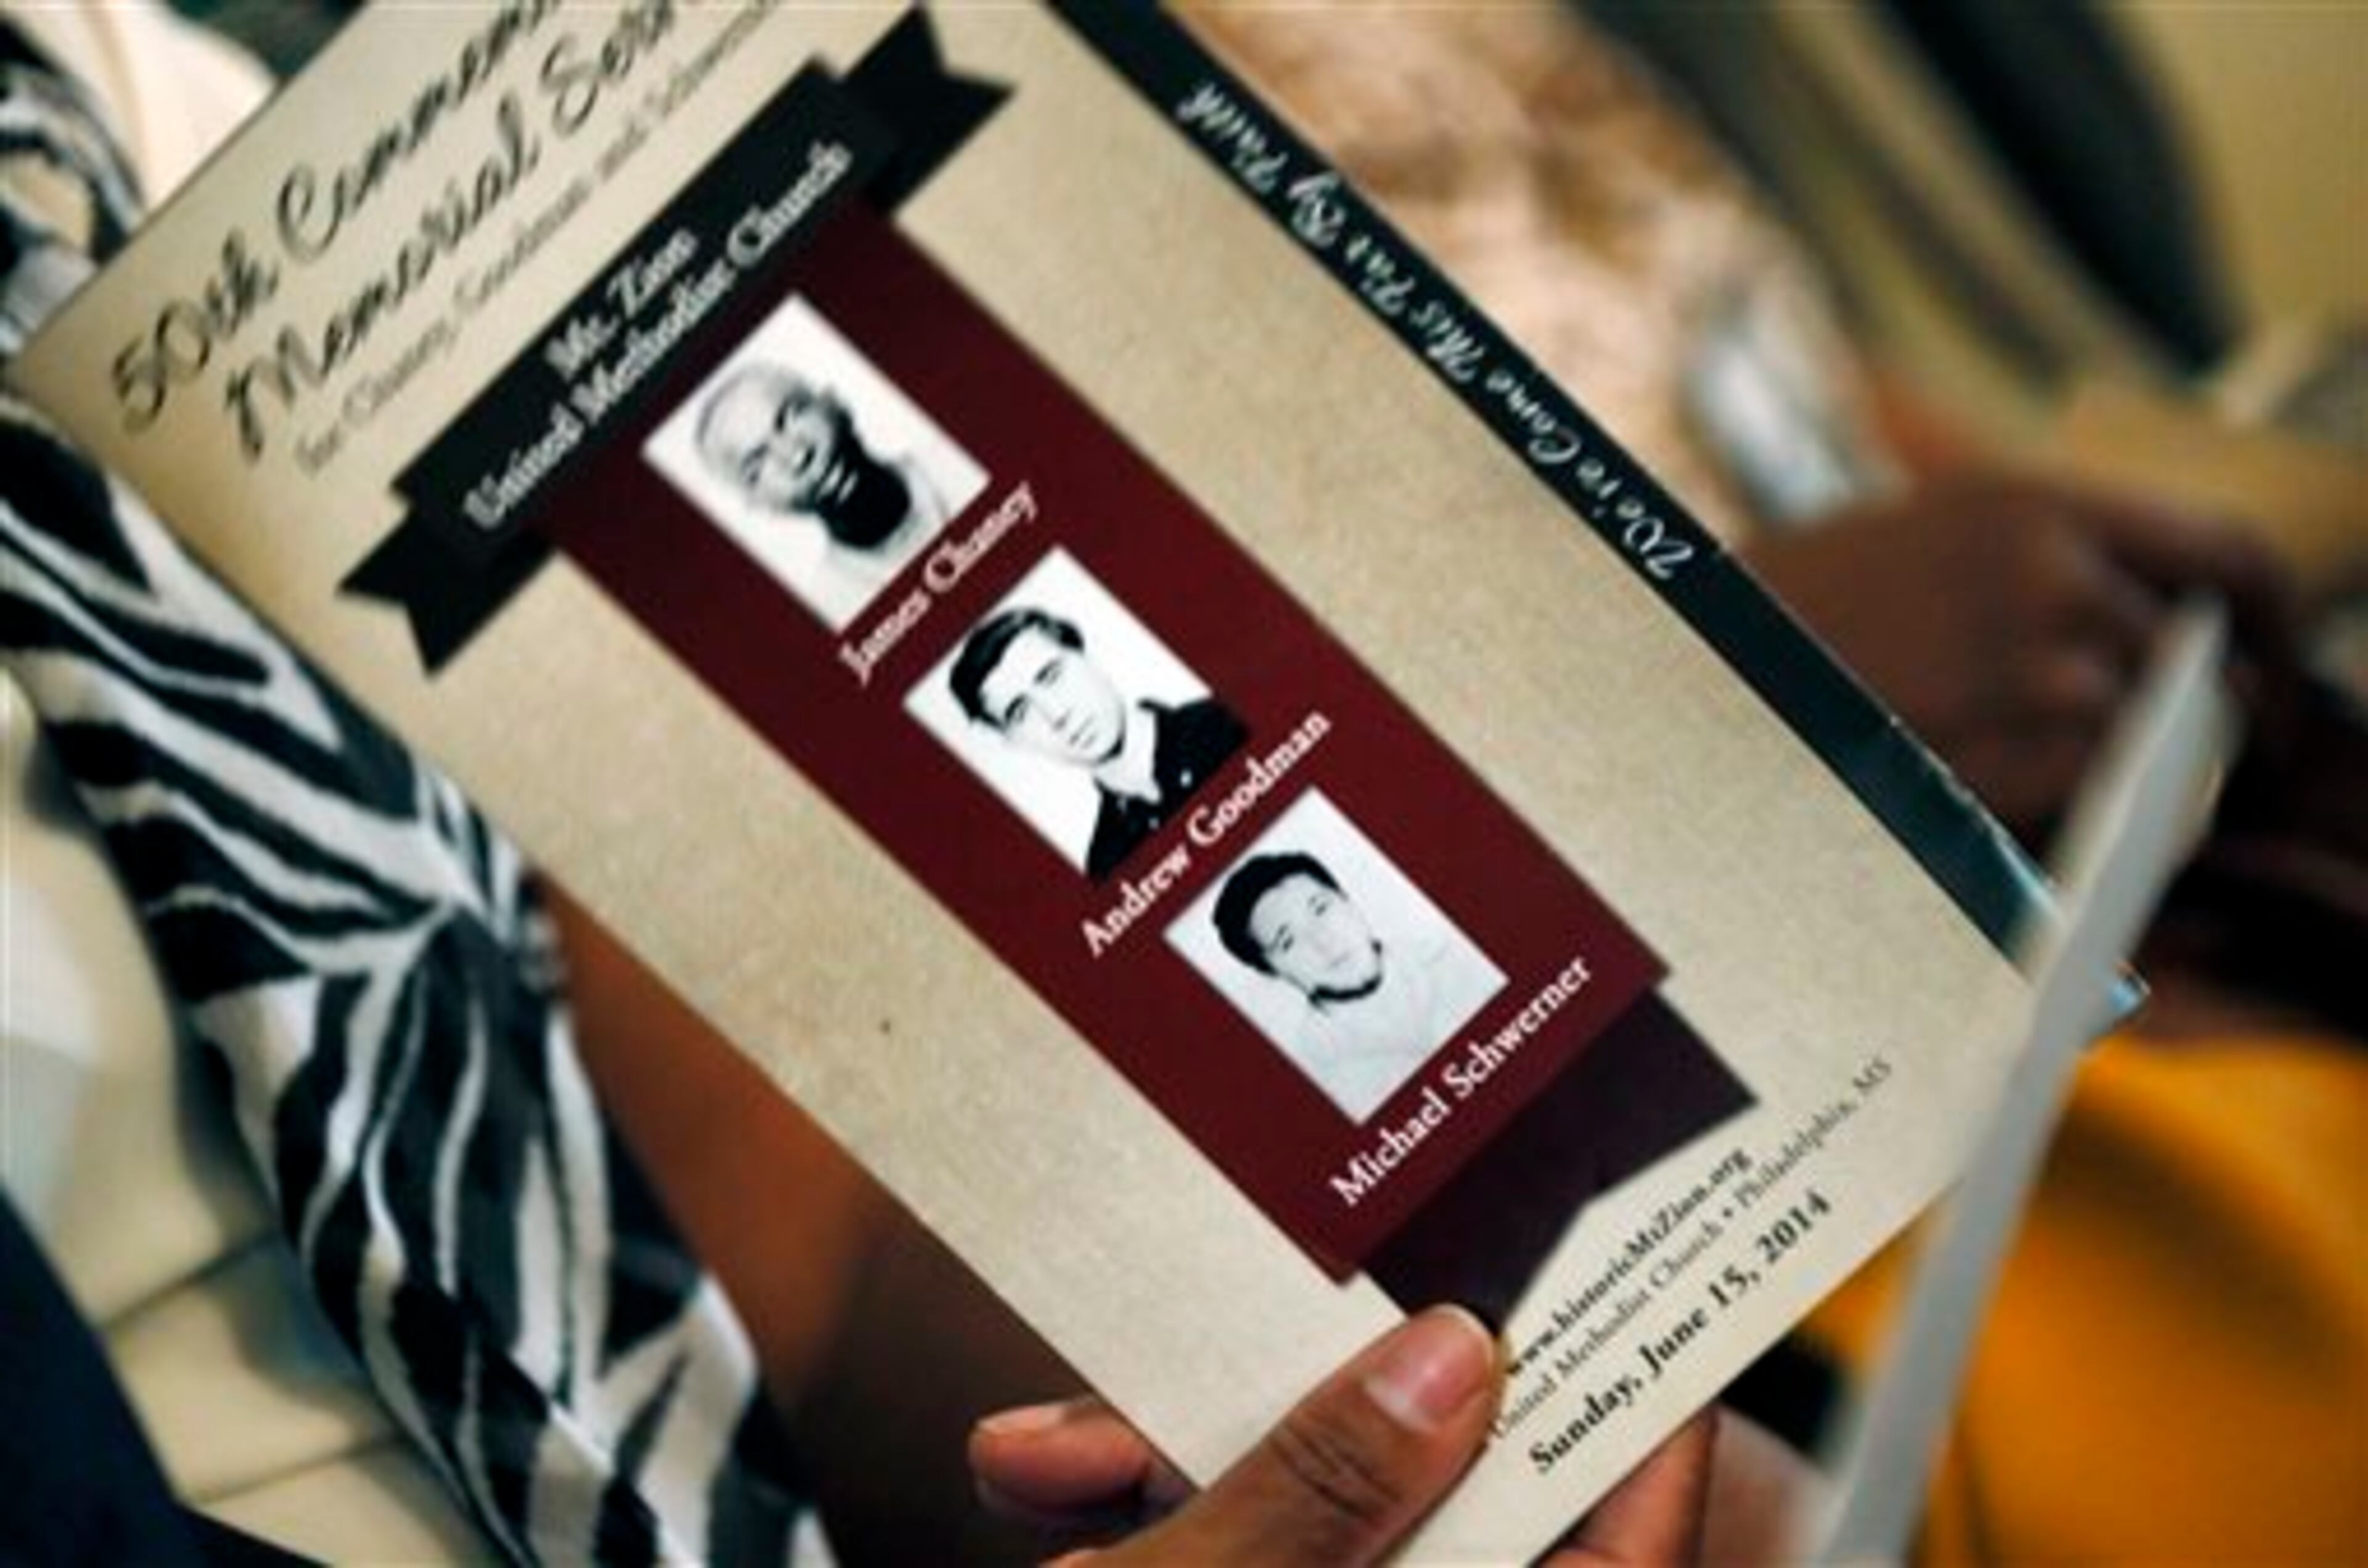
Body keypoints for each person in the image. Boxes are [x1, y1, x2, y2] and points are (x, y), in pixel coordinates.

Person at [950, 605, 1247, 879]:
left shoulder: (1235, 717)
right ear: (1012, 741)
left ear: (1086, 657)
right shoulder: (1109, 865)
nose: (1058, 714)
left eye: (1051, 676)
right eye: (1020, 712)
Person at [1211, 850, 1492, 1119]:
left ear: (1347, 901)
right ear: (1272, 971)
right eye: (1288, 941)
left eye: (1321, 909)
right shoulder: (1320, 1083)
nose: (1323, 939)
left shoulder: (1461, 952)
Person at [694, 362, 949, 616]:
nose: (797, 456)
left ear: (836, 403)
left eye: (791, 417)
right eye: (757, 464)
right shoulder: (832, 610)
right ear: (760, 504)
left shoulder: (964, 452)